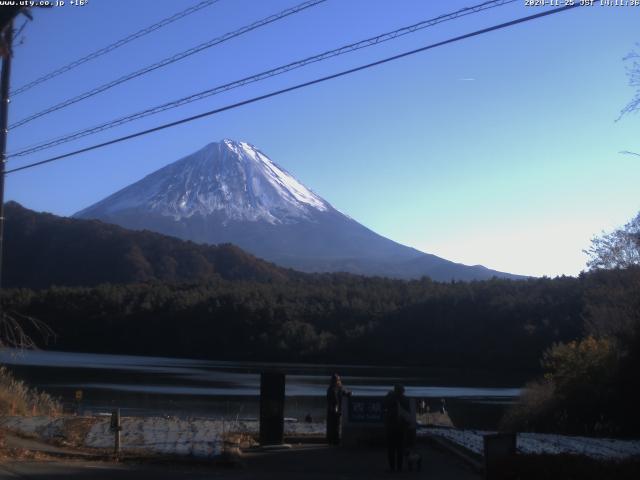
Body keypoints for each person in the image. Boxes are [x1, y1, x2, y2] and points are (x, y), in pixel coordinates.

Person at [383, 384, 412, 472]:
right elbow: (408, 413)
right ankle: (399, 467)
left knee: (391, 449)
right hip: (401, 427)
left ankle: (392, 467)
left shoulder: (390, 398)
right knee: (400, 448)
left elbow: (384, 405)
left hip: (391, 427)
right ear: (402, 391)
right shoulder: (405, 399)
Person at [326, 373, 351, 445]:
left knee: (336, 425)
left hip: (336, 409)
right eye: (334, 380)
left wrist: (349, 393)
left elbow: (345, 393)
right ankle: (331, 440)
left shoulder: (339, 388)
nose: (335, 381)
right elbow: (329, 399)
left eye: (336, 379)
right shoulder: (331, 389)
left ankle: (335, 440)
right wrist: (332, 407)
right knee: (332, 425)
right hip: (332, 409)